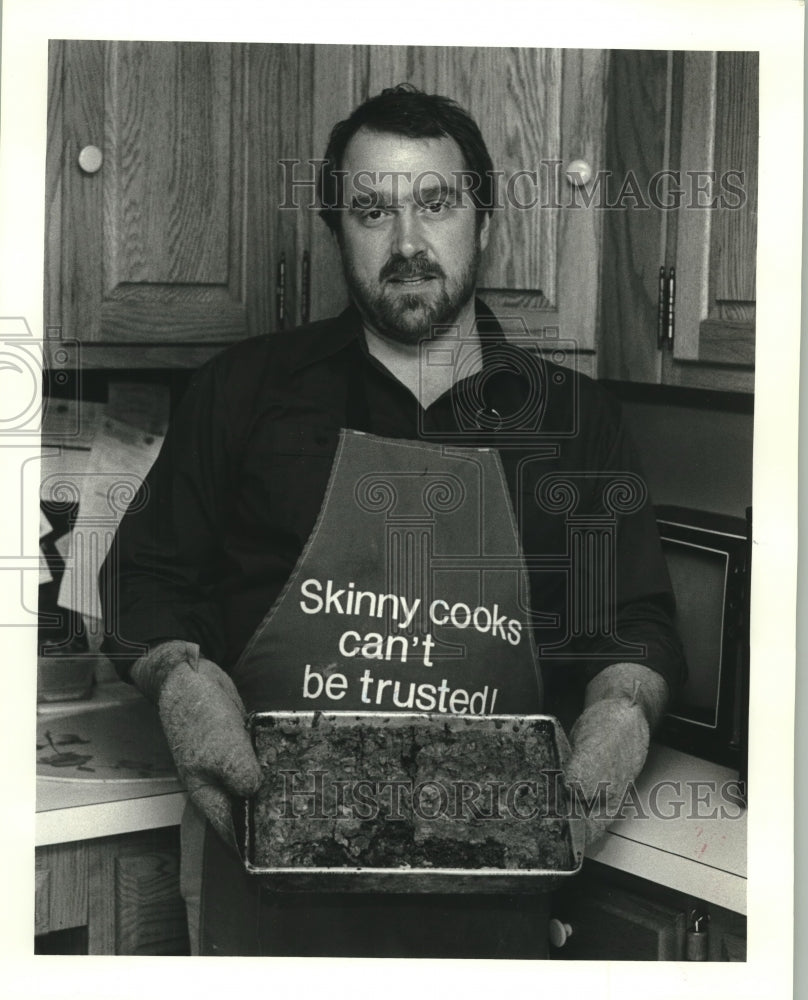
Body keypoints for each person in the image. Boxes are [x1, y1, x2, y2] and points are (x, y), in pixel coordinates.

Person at [99, 84, 684, 958]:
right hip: (269, 872)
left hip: (494, 882)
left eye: (436, 205)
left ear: (484, 222)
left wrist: (623, 715)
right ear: (337, 229)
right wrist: (184, 684)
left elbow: (632, 621)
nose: (407, 243)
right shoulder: (244, 393)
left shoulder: (576, 421)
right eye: (372, 210)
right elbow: (148, 575)